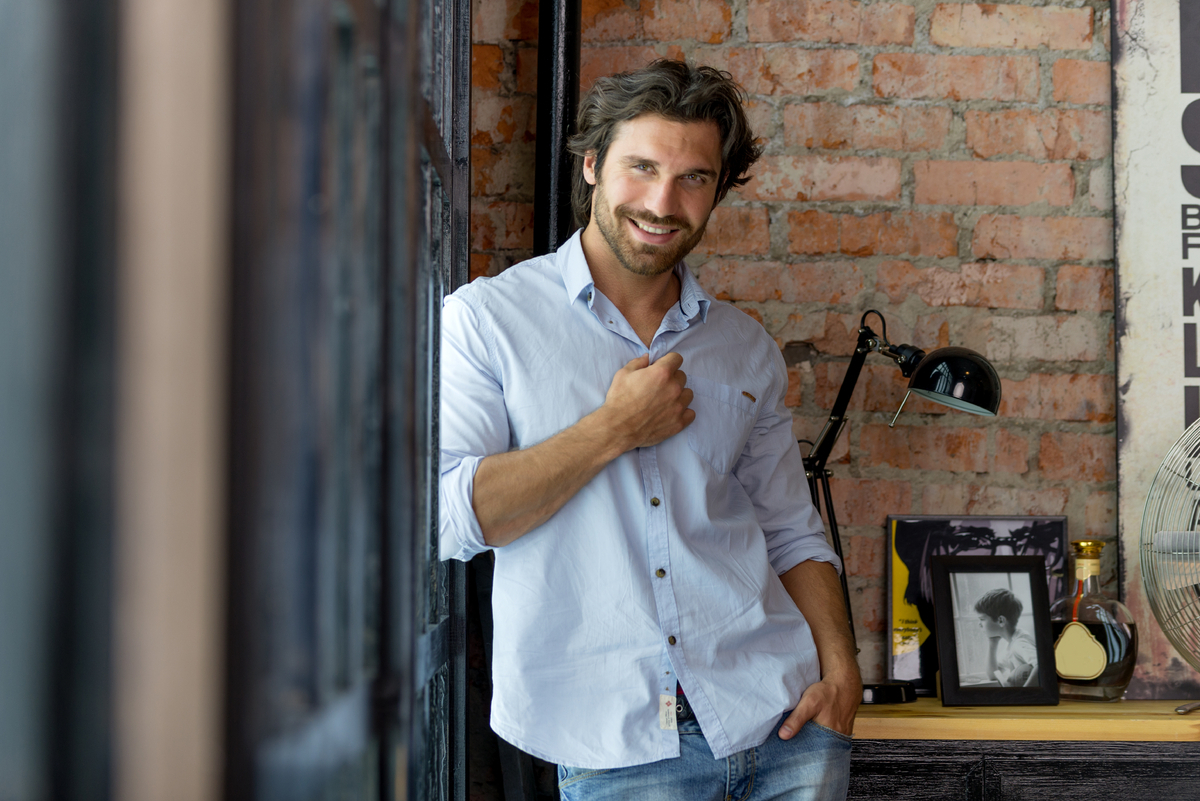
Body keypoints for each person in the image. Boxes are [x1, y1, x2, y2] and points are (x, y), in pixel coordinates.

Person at [440, 59, 861, 800]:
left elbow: (792, 531)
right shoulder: (488, 321)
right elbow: (454, 519)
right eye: (641, 167)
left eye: (694, 178)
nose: (663, 202)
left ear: (719, 189)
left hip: (786, 727)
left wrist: (841, 673)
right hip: (620, 752)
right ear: (594, 164)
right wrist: (613, 428)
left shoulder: (745, 347)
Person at [975, 588, 1039, 687]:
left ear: (1001, 621)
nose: (979, 624)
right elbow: (992, 675)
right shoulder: (1011, 643)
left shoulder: (1019, 643)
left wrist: (1024, 694)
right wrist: (992, 643)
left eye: (982, 619)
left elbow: (1041, 665)